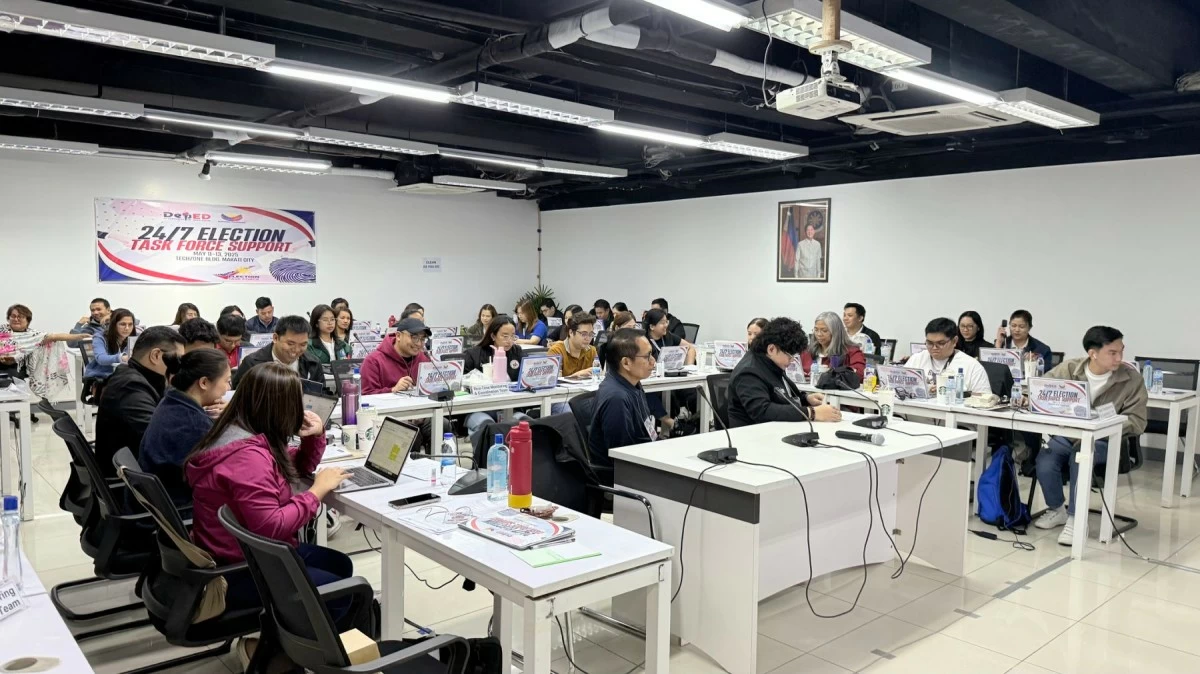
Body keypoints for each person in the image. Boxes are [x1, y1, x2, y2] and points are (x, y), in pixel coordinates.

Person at [184, 363, 359, 625]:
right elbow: (271, 526)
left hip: (241, 552)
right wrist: (316, 491)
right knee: (342, 593)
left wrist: (314, 436)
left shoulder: (238, 431)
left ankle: (301, 633)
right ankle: (284, 643)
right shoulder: (247, 457)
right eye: (295, 404)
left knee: (339, 565)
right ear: (279, 407)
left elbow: (294, 466)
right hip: (242, 568)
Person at [1033, 326, 1147, 546]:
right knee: (1045, 458)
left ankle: (1076, 520)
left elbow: (1138, 420)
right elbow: (1041, 390)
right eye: (1112, 353)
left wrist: (1105, 425)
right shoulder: (1070, 369)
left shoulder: (1131, 379)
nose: (1119, 358)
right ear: (1093, 353)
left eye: (1121, 351)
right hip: (1069, 435)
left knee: (1081, 456)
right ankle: (1057, 509)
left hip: (1107, 440)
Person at [140, 348, 230, 509]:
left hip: (163, 500)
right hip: (183, 507)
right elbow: (223, 478)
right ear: (204, 383)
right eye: (226, 381)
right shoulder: (194, 425)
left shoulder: (173, 400)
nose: (228, 388)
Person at [94, 326, 185, 477]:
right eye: (178, 360)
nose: (180, 367)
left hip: (137, 468)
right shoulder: (131, 386)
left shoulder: (134, 376)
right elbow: (161, 439)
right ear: (156, 355)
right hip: (133, 479)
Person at [728, 317, 839, 427]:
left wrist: (806, 399)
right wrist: (812, 413)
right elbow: (763, 411)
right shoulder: (748, 372)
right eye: (790, 356)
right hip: (752, 433)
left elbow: (783, 396)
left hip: (776, 428)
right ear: (771, 349)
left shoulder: (770, 363)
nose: (792, 361)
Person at [589, 329, 661, 467]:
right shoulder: (617, 398)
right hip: (624, 472)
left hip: (644, 455)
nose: (653, 361)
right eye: (647, 356)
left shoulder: (633, 384)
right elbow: (622, 456)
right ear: (626, 363)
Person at [462, 316, 531, 441]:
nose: (509, 341)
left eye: (513, 336)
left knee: (524, 422)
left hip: (510, 407)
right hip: (480, 408)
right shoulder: (474, 354)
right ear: (493, 336)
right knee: (485, 424)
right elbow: (463, 385)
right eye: (505, 336)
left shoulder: (517, 352)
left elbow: (527, 377)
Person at [1, 303, 88, 397]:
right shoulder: (2, 330)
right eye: (13, 316)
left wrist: (80, 336)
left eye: (20, 317)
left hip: (16, 368)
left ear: (27, 320)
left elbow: (55, 336)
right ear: (8, 318)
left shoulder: (33, 335)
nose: (16, 319)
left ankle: (14, 402)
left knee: (13, 379)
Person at [904, 318, 992, 396]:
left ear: (954, 341)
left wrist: (955, 392)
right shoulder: (917, 359)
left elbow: (985, 398)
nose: (934, 348)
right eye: (930, 343)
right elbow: (900, 386)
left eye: (941, 343)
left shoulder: (972, 366)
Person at [232, 315, 323, 389]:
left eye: (303, 345)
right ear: (275, 338)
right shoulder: (252, 364)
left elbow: (321, 397)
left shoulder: (313, 364)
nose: (296, 350)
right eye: (290, 344)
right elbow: (239, 397)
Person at [361, 317, 431, 394]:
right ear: (398, 336)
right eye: (414, 338)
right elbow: (366, 395)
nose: (419, 344)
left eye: (422, 339)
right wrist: (393, 390)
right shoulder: (373, 361)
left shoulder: (423, 359)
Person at [801, 311, 865, 378]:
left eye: (824, 331)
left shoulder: (852, 351)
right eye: (816, 330)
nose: (819, 334)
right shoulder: (807, 351)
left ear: (836, 332)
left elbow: (860, 374)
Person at [85, 308, 136, 381]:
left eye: (130, 324)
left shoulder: (133, 338)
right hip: (101, 376)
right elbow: (101, 358)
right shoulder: (100, 337)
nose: (127, 328)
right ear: (113, 325)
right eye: (122, 324)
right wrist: (121, 358)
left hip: (123, 375)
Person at [548, 314, 598, 380]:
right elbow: (554, 381)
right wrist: (577, 375)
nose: (588, 338)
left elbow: (599, 375)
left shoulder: (592, 351)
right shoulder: (556, 351)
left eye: (591, 334)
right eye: (584, 334)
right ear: (571, 332)